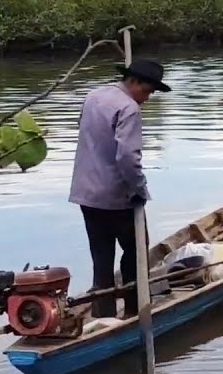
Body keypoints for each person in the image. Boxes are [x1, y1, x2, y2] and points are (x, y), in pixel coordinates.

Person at [68, 58, 170, 318]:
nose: (146, 99)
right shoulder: (129, 109)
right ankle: (136, 312)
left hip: (87, 194)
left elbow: (84, 132)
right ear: (133, 82)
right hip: (117, 196)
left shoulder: (94, 96)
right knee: (136, 255)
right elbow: (127, 158)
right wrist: (140, 189)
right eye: (146, 91)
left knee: (101, 258)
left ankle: (103, 315)